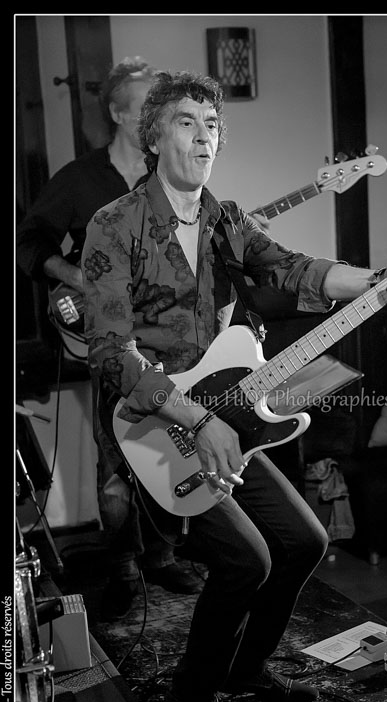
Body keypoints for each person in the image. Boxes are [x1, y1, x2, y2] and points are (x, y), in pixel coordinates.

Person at [81, 69, 387, 702]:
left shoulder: (224, 221)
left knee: (303, 543)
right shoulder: (114, 224)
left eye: (212, 125)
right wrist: (196, 419)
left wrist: (378, 279)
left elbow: (297, 270)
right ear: (154, 137)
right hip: (151, 427)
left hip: (220, 416)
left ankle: (244, 670)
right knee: (245, 559)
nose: (203, 136)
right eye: (186, 122)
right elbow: (109, 353)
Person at [16, 57, 204, 618]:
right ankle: (123, 568)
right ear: (120, 114)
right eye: (148, 103)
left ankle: (162, 556)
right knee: (116, 459)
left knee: (168, 448)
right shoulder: (78, 179)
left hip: (164, 340)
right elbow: (29, 244)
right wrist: (78, 277)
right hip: (106, 339)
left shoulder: (166, 174)